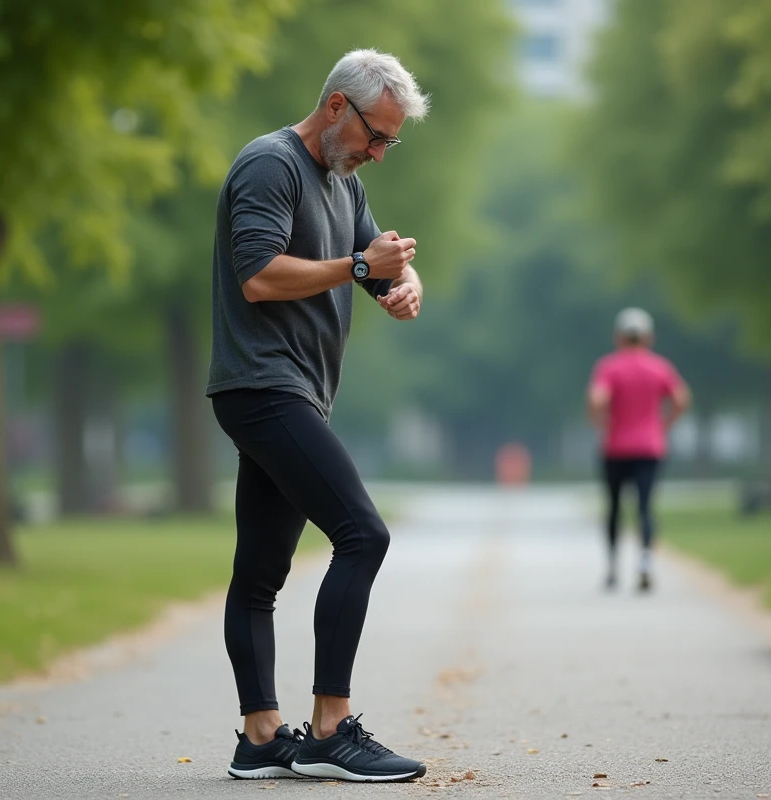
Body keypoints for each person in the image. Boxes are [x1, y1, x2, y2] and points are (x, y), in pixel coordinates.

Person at [207, 49, 429, 782]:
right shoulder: (269, 165)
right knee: (363, 534)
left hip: (297, 390)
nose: (379, 152)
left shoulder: (344, 180)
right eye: (376, 135)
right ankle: (331, 729)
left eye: (391, 141)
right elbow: (259, 275)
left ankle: (261, 737)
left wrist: (402, 282)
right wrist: (362, 267)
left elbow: (376, 260)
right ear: (337, 105)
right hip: (263, 387)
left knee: (261, 572)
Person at [587, 308, 691, 592]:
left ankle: (612, 567)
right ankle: (645, 562)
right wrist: (665, 424)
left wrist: (600, 421)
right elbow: (681, 398)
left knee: (614, 507)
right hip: (649, 446)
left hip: (616, 447)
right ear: (648, 337)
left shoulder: (609, 367)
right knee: (645, 508)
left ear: (618, 337)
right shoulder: (659, 367)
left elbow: (597, 400)